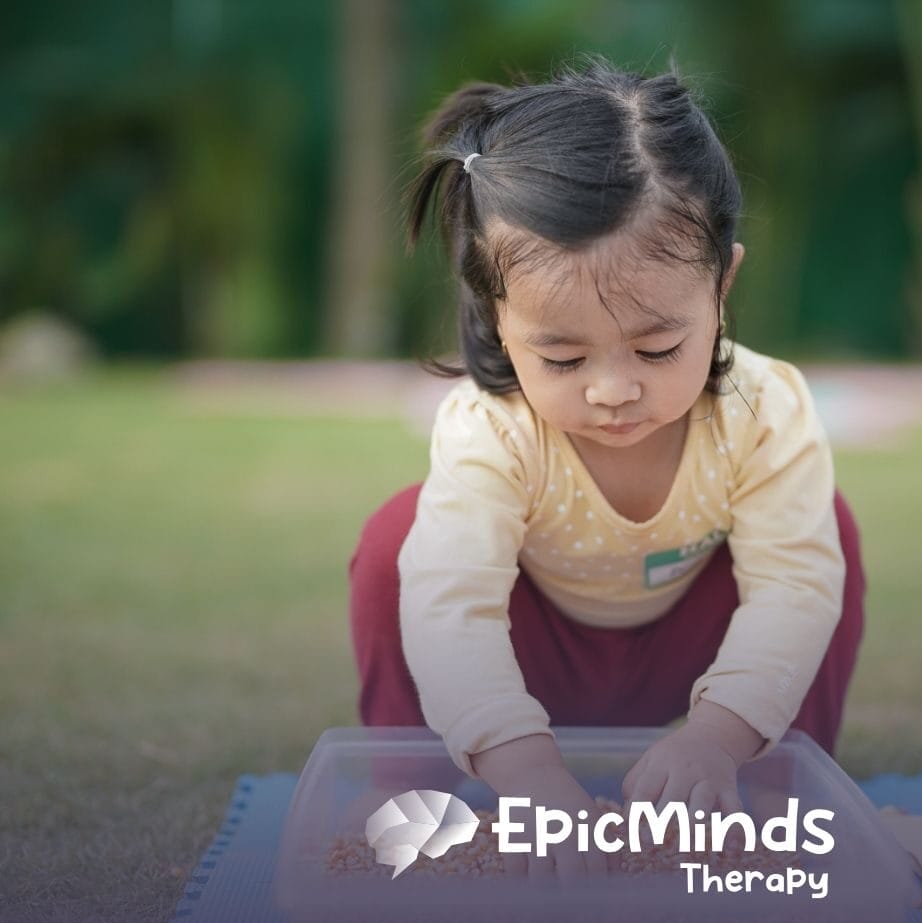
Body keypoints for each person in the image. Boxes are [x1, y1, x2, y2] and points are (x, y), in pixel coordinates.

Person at [349, 57, 866, 881]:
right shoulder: (493, 428)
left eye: (659, 348)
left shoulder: (766, 411)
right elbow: (453, 607)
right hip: (535, 652)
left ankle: (771, 800)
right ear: (497, 315)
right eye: (561, 356)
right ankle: (418, 807)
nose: (615, 390)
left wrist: (716, 737)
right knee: (395, 545)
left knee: (826, 531)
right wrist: (523, 772)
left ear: (722, 283)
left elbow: (793, 589)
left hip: (692, 651)